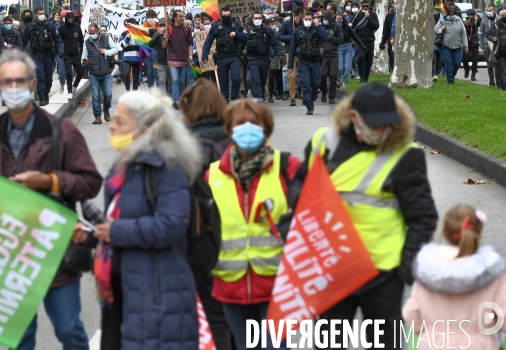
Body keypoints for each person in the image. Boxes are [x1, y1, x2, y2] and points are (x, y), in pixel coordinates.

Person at [0, 49, 102, 350]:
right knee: (19, 336)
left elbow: (91, 182)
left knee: (68, 330)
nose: (13, 88)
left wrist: (50, 180)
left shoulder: (60, 131)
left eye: (20, 81)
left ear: (32, 84)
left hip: (53, 245)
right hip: (10, 248)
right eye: (6, 82)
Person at [285, 82, 438, 348]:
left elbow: (422, 218)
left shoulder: (406, 156)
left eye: (386, 124)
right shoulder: (325, 143)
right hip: (332, 269)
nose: (381, 130)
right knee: (331, 342)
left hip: (382, 274)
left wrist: (404, 271)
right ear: (354, 117)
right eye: (374, 124)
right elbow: (298, 186)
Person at [93, 90, 201, 349]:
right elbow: (117, 220)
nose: (111, 125)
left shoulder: (167, 167)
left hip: (158, 288)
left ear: (144, 129)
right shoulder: (125, 165)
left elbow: (172, 225)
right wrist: (91, 234)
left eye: (120, 121)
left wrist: (116, 232)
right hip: (123, 286)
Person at [205, 99, 301, 350]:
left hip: (277, 286)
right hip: (230, 284)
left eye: (254, 123)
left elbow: (312, 215)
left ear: (266, 129)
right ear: (229, 129)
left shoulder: (287, 168)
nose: (247, 128)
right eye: (240, 123)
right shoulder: (212, 175)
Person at [403, 204, 506, 349]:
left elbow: (412, 314)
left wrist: (430, 332)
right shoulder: (492, 272)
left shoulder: (428, 270)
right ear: (479, 233)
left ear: (444, 233)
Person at [178, 78, 233, 350]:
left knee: (214, 317)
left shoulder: (186, 148)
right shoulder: (237, 141)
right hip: (241, 240)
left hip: (204, 239)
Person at [202, 7, 248, 102]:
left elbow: (246, 37)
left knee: (236, 78)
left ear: (231, 15)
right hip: (221, 57)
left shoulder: (237, 25)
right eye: (224, 15)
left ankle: (235, 98)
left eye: (228, 15)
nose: (226, 17)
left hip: (234, 56)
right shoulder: (215, 26)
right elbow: (208, 42)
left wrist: (236, 34)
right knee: (224, 81)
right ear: (221, 15)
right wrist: (204, 56)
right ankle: (224, 100)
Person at [288, 11, 329, 115]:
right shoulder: (296, 31)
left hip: (314, 61)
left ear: (313, 20)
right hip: (303, 61)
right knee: (305, 84)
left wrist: (318, 26)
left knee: (316, 83)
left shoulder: (317, 30)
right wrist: (290, 65)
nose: (307, 21)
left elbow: (326, 38)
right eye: (306, 19)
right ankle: (308, 104)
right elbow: (292, 49)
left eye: (310, 19)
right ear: (303, 19)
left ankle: (312, 97)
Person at [22, 6, 64, 106]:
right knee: (40, 76)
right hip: (36, 54)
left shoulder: (49, 26)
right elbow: (23, 42)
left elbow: (58, 40)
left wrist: (61, 50)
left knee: (49, 77)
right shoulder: (30, 27)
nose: (42, 16)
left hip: (49, 54)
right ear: (36, 14)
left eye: (43, 14)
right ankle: (41, 96)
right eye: (40, 14)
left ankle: (46, 93)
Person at [82, 23, 119, 124]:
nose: (91, 35)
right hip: (93, 73)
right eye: (89, 33)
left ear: (98, 31)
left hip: (106, 72)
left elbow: (116, 49)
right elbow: (84, 56)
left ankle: (106, 110)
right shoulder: (87, 42)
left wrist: (106, 52)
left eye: (93, 33)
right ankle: (97, 116)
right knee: (95, 96)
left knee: (108, 94)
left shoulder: (106, 38)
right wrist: (84, 61)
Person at [245, 11, 284, 101]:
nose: (257, 20)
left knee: (262, 82)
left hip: (264, 59)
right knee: (255, 80)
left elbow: (275, 43)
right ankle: (258, 101)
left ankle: (260, 97)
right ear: (252, 19)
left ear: (262, 19)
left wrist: (279, 54)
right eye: (256, 18)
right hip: (252, 59)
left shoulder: (267, 30)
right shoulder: (248, 31)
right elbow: (242, 43)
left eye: (259, 18)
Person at [162, 9, 194, 109]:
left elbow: (190, 43)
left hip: (184, 58)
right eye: (180, 16)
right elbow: (163, 46)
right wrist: (166, 39)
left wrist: (191, 55)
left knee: (181, 81)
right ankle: (176, 100)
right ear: (175, 17)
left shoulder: (187, 28)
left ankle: (181, 99)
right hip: (172, 58)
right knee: (175, 79)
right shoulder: (169, 29)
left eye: (182, 16)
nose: (182, 18)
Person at [277, 6, 305, 105]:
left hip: (302, 52)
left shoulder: (304, 24)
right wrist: (292, 37)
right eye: (304, 13)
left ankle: (303, 95)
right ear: (300, 13)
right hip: (290, 52)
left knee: (303, 75)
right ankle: (292, 97)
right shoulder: (286, 23)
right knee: (291, 76)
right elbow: (279, 36)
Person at [434, 5, 468, 85]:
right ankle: (450, 81)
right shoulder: (442, 20)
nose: (452, 15)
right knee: (448, 62)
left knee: (457, 63)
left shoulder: (458, 20)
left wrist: (465, 45)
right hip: (445, 46)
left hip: (457, 45)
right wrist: (442, 29)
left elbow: (463, 33)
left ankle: (452, 75)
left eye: (454, 14)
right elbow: (436, 30)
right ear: (448, 13)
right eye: (451, 14)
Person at [350, 0, 379, 84]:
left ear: (369, 5)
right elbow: (352, 25)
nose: (365, 8)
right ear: (361, 6)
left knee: (369, 60)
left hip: (370, 40)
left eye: (367, 6)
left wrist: (369, 18)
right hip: (359, 41)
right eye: (364, 6)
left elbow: (376, 26)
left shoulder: (373, 14)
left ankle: (365, 77)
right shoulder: (357, 15)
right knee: (360, 57)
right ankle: (361, 76)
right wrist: (350, 25)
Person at [318, 10, 343, 105]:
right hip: (323, 55)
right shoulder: (320, 27)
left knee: (333, 76)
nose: (325, 20)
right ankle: (324, 92)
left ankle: (332, 96)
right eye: (323, 19)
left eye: (326, 19)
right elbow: (316, 39)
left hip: (333, 54)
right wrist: (318, 49)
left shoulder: (336, 27)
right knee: (322, 75)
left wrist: (330, 37)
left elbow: (341, 40)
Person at [58, 12, 85, 99]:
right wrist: (60, 51)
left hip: (76, 54)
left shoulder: (77, 27)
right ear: (66, 20)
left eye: (72, 20)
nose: (70, 21)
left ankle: (74, 86)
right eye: (68, 20)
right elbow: (59, 41)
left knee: (80, 72)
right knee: (69, 73)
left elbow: (81, 39)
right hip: (67, 54)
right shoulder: (62, 29)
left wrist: (81, 49)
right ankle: (69, 91)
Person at [337, 11, 366, 91]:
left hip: (348, 47)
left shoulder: (347, 27)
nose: (339, 20)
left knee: (347, 67)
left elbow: (355, 37)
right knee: (340, 68)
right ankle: (337, 79)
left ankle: (344, 83)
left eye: (340, 19)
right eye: (337, 19)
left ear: (343, 19)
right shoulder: (334, 28)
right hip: (339, 48)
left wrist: (363, 47)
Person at [149, 22, 172, 95]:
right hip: (161, 61)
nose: (163, 27)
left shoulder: (172, 32)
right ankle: (163, 98)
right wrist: (159, 34)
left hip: (171, 61)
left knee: (172, 81)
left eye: (164, 25)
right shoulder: (157, 33)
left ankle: (170, 96)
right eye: (161, 25)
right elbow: (150, 44)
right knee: (162, 80)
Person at [479, 5, 499, 86]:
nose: (489, 12)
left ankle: (499, 81)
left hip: (498, 45)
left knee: (498, 64)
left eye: (490, 10)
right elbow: (481, 34)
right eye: (487, 10)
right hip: (487, 45)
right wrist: (482, 46)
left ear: (494, 11)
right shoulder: (484, 21)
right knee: (489, 64)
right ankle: (491, 81)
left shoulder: (499, 19)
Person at [486, 9, 506, 90]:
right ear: (499, 16)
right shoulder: (495, 25)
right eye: (502, 15)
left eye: (505, 15)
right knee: (502, 71)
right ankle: (504, 88)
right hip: (500, 53)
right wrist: (492, 38)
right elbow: (487, 34)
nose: (504, 17)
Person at [120, 18, 141, 92]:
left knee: (136, 77)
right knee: (126, 74)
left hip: (137, 57)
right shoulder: (124, 34)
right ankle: (128, 90)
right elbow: (123, 45)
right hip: (127, 57)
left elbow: (141, 44)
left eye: (133, 25)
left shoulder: (139, 33)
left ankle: (134, 92)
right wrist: (128, 37)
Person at [462, 9, 481, 81]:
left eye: (472, 15)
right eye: (469, 15)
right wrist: (466, 24)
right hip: (467, 41)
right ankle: (467, 69)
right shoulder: (465, 22)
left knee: (475, 59)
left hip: (474, 41)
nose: (470, 16)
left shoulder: (476, 21)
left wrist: (477, 14)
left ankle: (473, 74)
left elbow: (481, 21)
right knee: (465, 58)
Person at [380, 1, 396, 73]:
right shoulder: (389, 16)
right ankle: (394, 72)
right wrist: (383, 42)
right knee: (392, 56)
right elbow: (385, 29)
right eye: (395, 3)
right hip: (391, 39)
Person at [431, 0, 444, 82]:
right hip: (431, 40)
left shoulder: (442, 16)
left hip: (439, 40)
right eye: (437, 4)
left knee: (439, 58)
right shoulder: (429, 16)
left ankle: (437, 72)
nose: (438, 6)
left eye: (439, 4)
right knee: (433, 58)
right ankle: (434, 74)